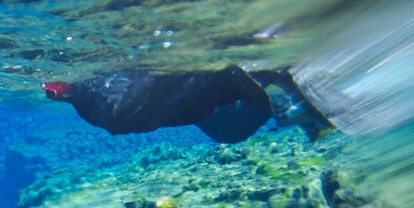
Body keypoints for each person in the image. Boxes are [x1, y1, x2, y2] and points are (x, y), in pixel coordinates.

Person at [42, 66, 333, 143]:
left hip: (192, 97)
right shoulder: (105, 106)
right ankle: (288, 110)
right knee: (227, 130)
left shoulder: (105, 106)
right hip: (194, 98)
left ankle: (288, 109)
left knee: (227, 129)